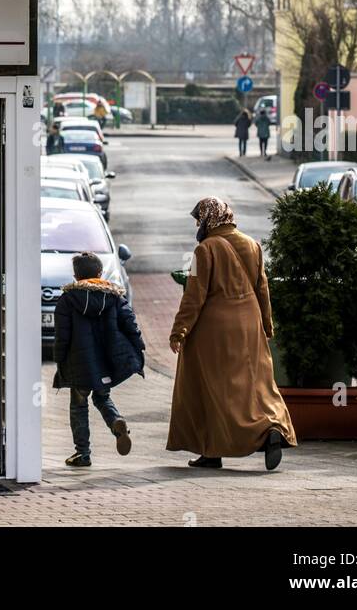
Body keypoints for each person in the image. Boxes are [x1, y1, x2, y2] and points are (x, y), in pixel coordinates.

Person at [167, 198, 296, 471]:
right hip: (250, 324)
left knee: (212, 389)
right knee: (255, 384)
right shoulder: (252, 244)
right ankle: (271, 427)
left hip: (213, 329)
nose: (197, 225)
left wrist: (179, 330)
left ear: (207, 219)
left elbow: (194, 296)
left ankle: (211, 451)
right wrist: (267, 325)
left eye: (198, 219)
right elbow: (263, 289)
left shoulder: (204, 251)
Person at [53, 251, 145, 467]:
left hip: (79, 363)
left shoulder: (67, 300)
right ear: (100, 273)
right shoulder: (114, 297)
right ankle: (115, 422)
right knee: (102, 397)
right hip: (105, 362)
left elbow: (62, 335)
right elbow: (131, 325)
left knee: (78, 405)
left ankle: (82, 454)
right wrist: (138, 350)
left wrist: (60, 360)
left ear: (76, 276)